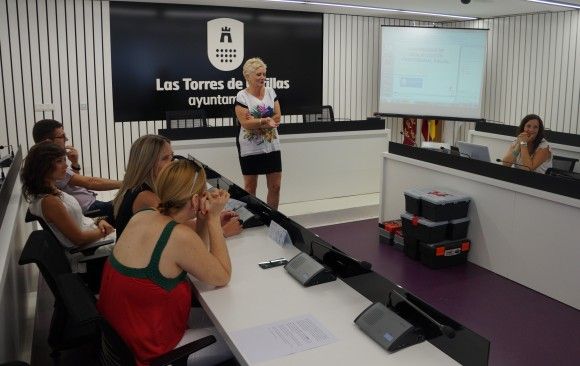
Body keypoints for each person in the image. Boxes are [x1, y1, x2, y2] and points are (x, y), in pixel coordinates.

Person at [98, 159, 233, 366]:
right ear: (196, 199)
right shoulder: (178, 236)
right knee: (237, 338)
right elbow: (222, 276)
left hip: (128, 336)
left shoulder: (144, 215)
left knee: (218, 319)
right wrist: (214, 218)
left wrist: (204, 219)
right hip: (153, 353)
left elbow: (198, 253)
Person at [113, 134, 242, 238]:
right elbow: (178, 229)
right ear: (147, 164)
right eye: (165, 158)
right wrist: (221, 232)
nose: (172, 162)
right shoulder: (145, 196)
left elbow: (178, 221)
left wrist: (214, 220)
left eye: (172, 156)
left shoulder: (141, 187)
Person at [20, 141, 115, 250]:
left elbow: (80, 220)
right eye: (59, 161)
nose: (65, 165)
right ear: (43, 167)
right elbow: (79, 239)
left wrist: (99, 221)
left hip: (96, 237)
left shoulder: (52, 190)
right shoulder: (50, 202)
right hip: (92, 248)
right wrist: (103, 231)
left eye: (64, 160)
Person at [32, 119, 121, 224]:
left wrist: (74, 164)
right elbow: (91, 182)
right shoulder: (50, 167)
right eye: (62, 136)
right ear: (48, 141)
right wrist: (126, 183)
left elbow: (76, 184)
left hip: (90, 206)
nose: (66, 139)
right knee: (134, 200)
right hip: (90, 211)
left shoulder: (46, 161)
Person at [234, 57, 282, 210]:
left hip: (271, 145)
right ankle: (253, 217)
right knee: (249, 188)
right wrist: (265, 122)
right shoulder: (242, 96)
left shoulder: (270, 91)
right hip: (250, 147)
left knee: (275, 186)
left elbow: (277, 116)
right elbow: (245, 123)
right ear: (248, 77)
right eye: (258, 75)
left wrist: (257, 121)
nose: (263, 77)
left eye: (264, 74)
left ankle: (273, 218)